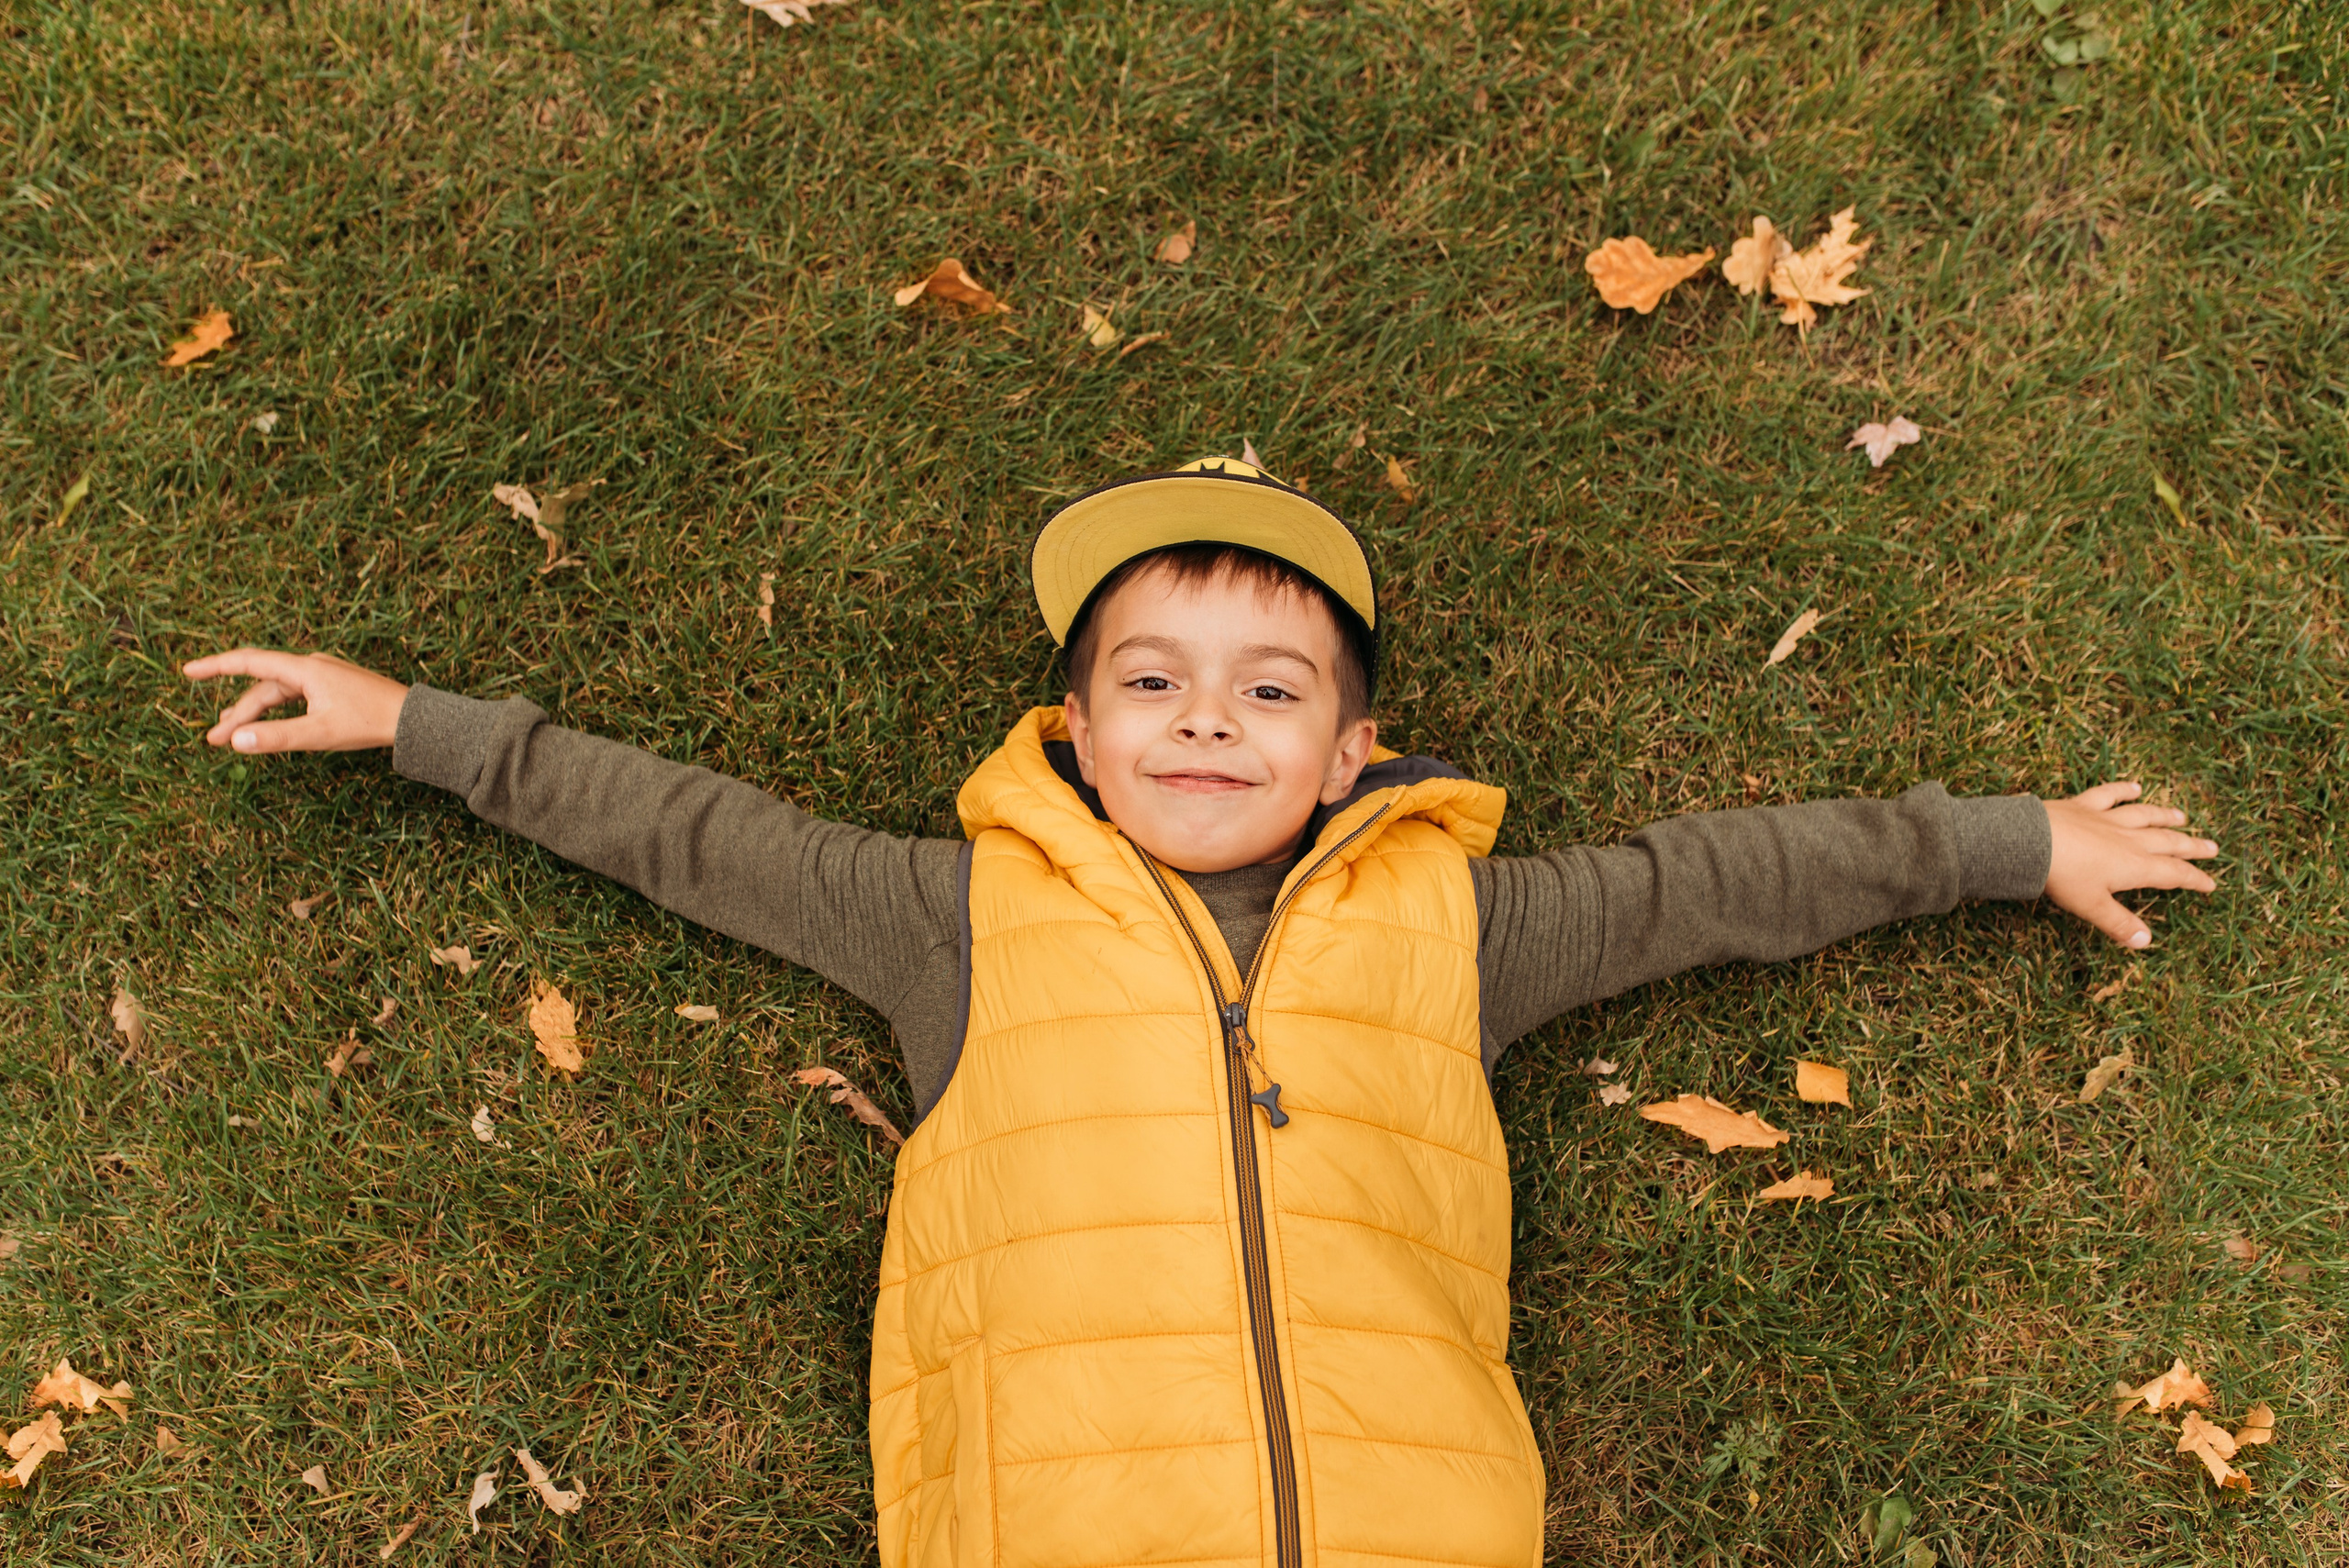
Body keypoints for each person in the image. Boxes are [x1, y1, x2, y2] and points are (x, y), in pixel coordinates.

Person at [184, 457, 2219, 1566]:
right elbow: (678, 831)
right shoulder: (947, 914)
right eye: (1148, 681)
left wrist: (2000, 837)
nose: (1204, 720)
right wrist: (418, 728)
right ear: (1071, 734)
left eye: (1269, 691)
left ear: (1349, 758)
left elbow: (1728, 884)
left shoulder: (1472, 929)